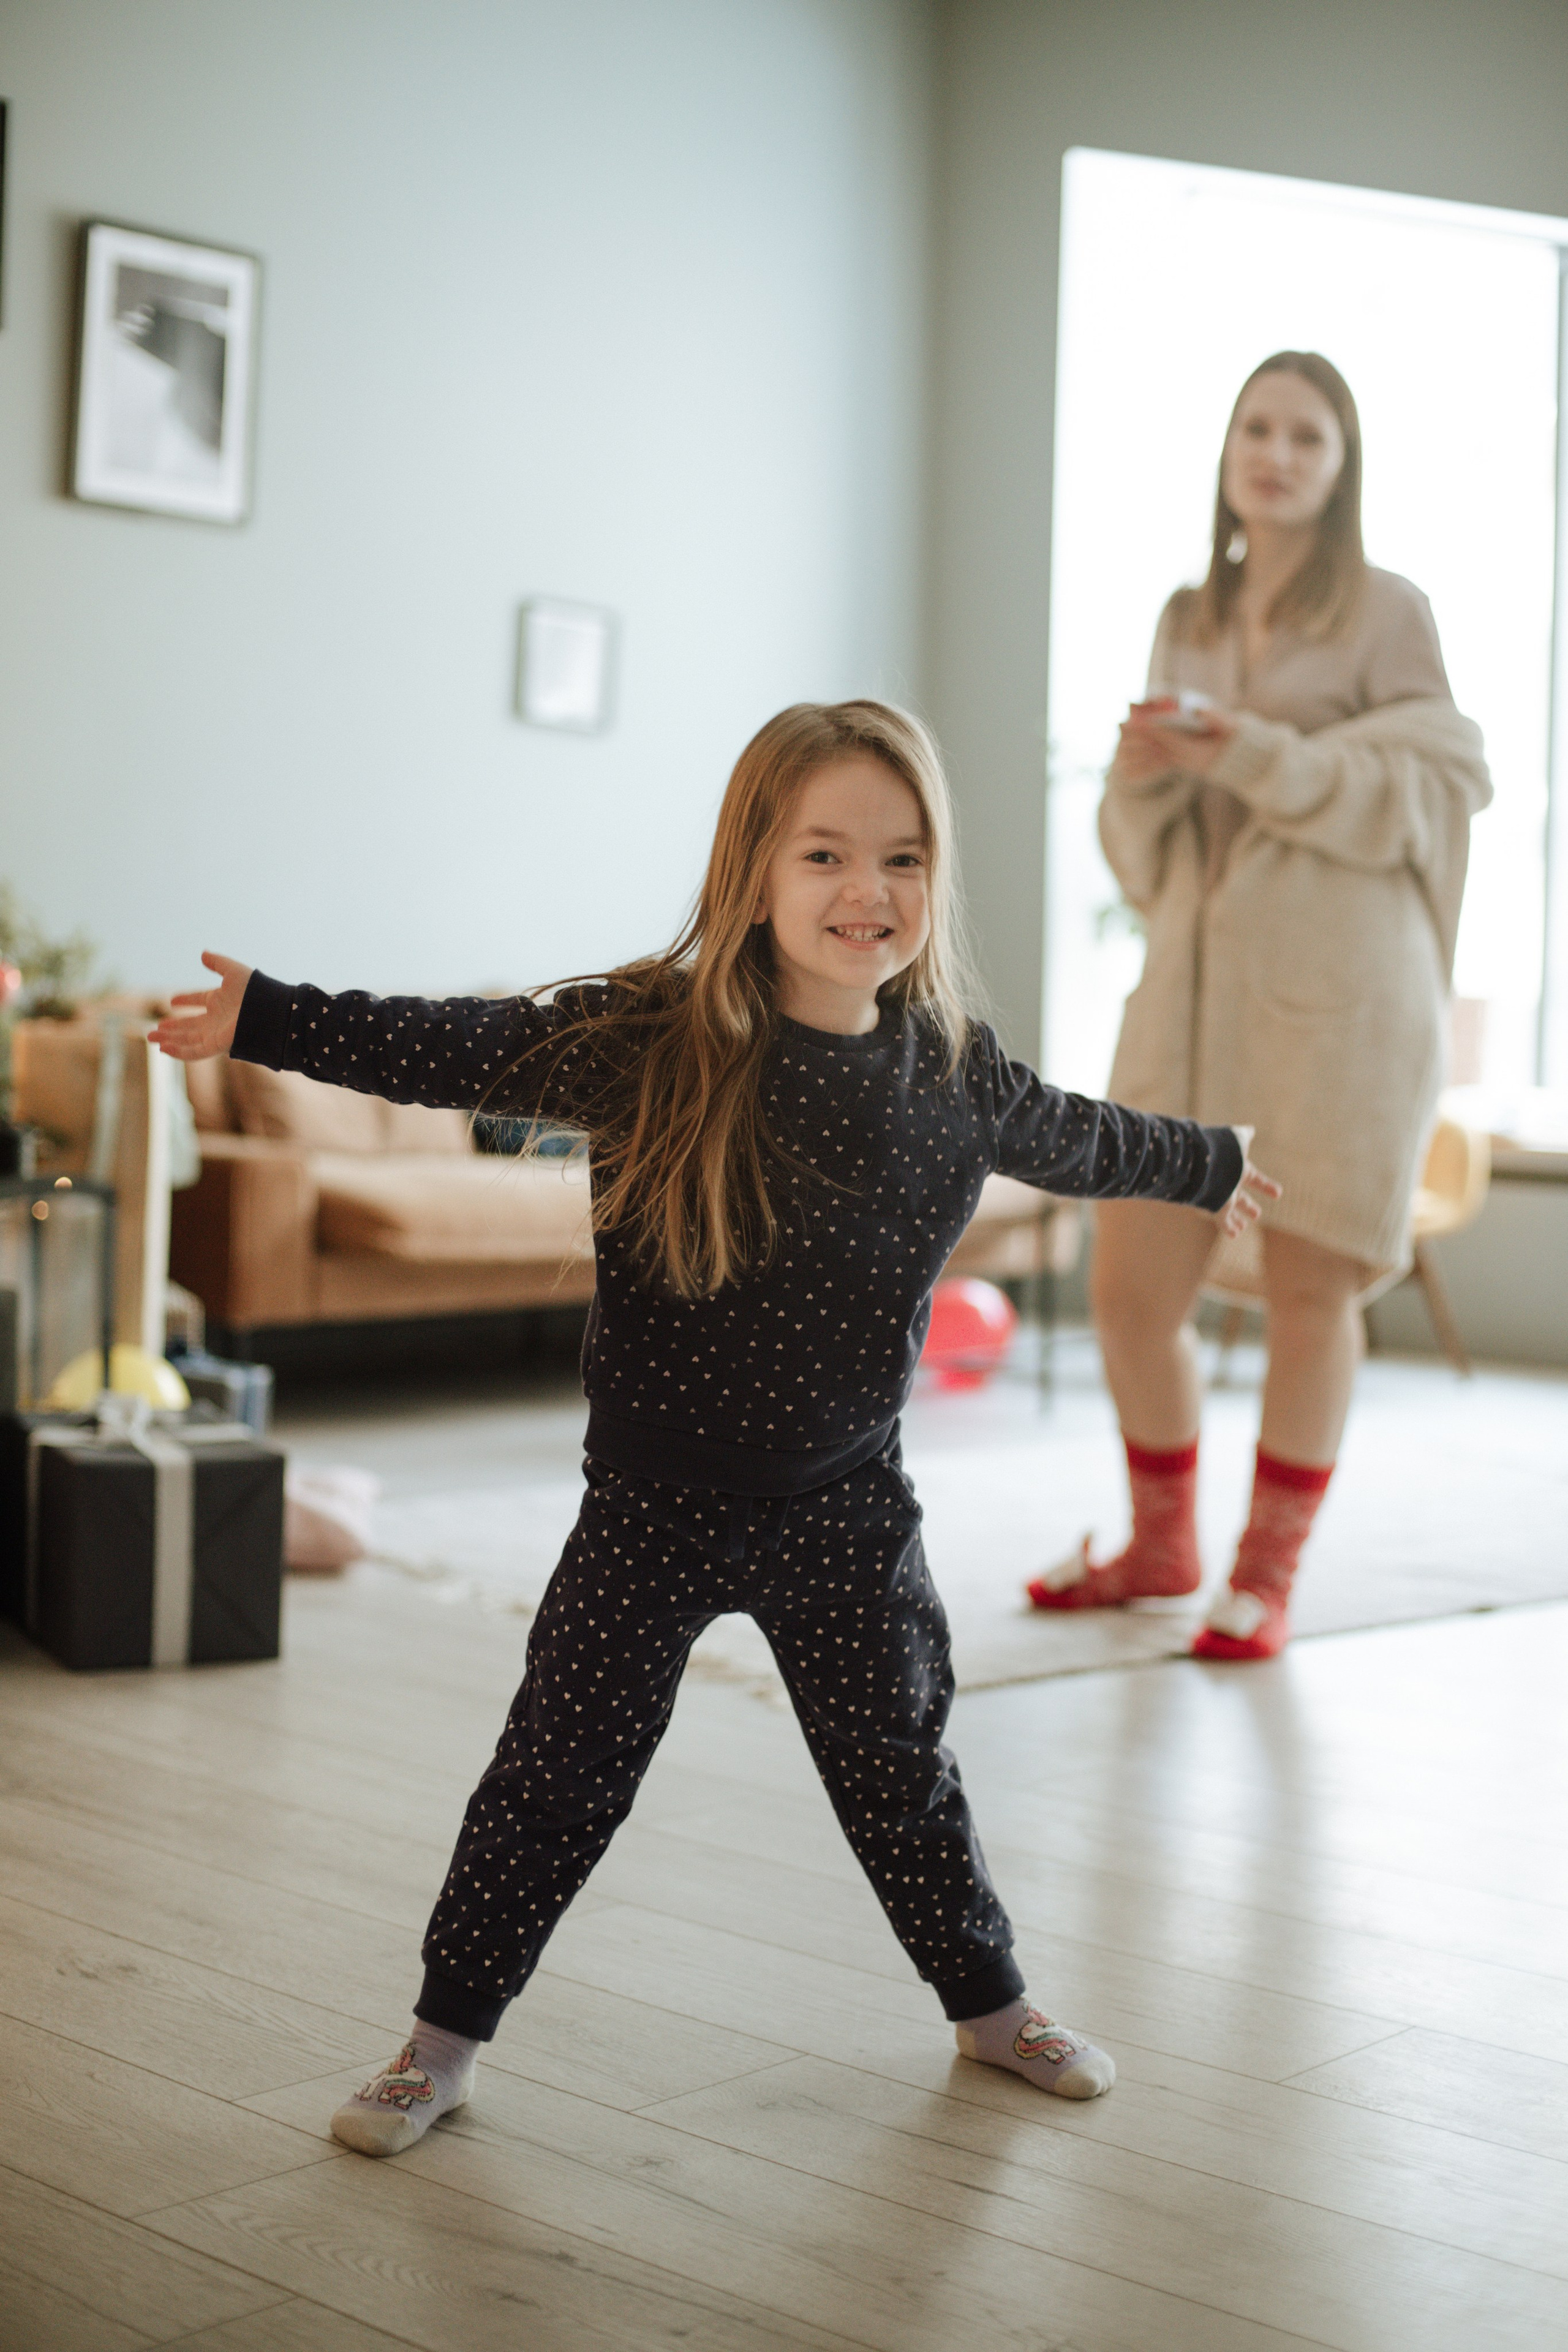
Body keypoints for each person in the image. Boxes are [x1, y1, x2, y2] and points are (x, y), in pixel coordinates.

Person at [154, 700, 1273, 2152]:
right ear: (754, 866)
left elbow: (1079, 1134)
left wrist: (1209, 1160)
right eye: (823, 854)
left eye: (901, 857)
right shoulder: (652, 1041)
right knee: (554, 1778)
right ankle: (437, 2047)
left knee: (902, 1774)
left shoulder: (950, 1069)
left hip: (846, 1510)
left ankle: (991, 2010)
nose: (865, 892)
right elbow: (462, 1049)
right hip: (649, 1508)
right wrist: (271, 1018)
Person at [1028, 352, 1491, 1661]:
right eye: (1254, 428)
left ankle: (1262, 1575)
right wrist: (1140, 770)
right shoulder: (1186, 609)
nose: (1273, 453)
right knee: (1125, 1284)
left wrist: (1248, 748)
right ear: (1225, 452)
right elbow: (1143, 847)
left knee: (1309, 1282)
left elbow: (1427, 784)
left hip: (1343, 998)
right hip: (1186, 990)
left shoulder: (1386, 610)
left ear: (1340, 468)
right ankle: (1159, 1543)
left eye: (1304, 434)